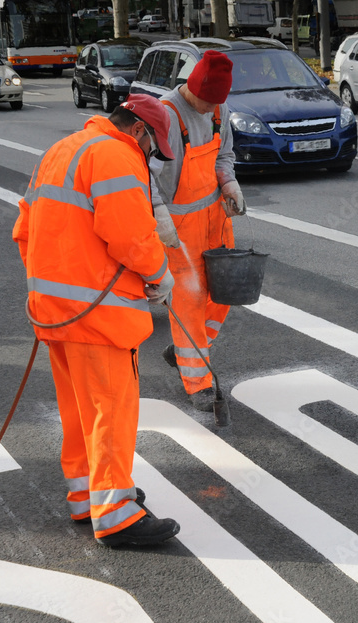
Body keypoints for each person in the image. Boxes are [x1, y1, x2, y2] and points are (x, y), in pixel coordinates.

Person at [12, 94, 183, 548]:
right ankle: (117, 515)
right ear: (140, 131)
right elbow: (129, 234)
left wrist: (53, 287)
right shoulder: (116, 155)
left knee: (78, 410)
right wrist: (160, 276)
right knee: (111, 408)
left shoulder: (61, 151)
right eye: (153, 149)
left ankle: (88, 496)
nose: (150, 158)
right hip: (100, 313)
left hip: (54, 311)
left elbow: (23, 231)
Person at [151, 50, 245, 412]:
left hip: (214, 219)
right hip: (180, 227)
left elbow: (224, 155)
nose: (210, 110)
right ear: (192, 89)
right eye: (206, 102)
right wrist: (159, 217)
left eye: (216, 104)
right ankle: (198, 382)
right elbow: (146, 175)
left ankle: (185, 349)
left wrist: (229, 184)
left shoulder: (219, 109)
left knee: (225, 293)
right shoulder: (168, 115)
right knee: (189, 300)